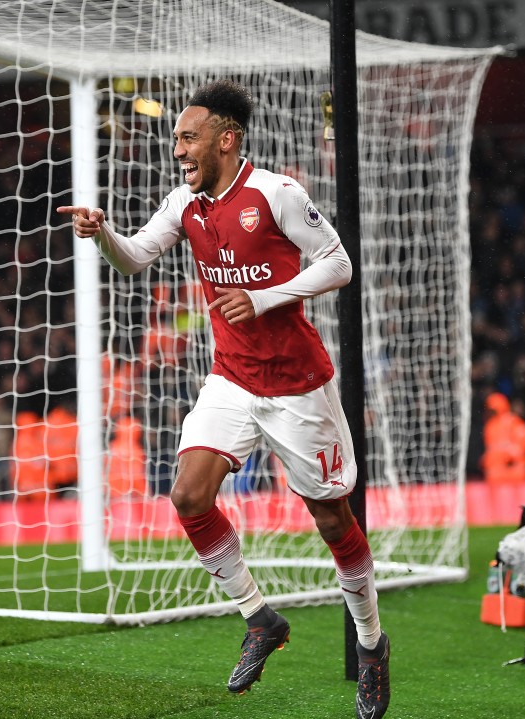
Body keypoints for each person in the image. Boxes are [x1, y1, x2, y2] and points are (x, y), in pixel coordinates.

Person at [58, 79, 389, 718]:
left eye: (188, 136)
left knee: (331, 520)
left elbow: (339, 262)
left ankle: (372, 646)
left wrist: (266, 296)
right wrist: (102, 233)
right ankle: (259, 617)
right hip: (232, 377)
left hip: (298, 386)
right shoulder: (185, 203)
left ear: (226, 139)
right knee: (187, 495)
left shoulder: (276, 193)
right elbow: (132, 259)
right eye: (177, 137)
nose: (178, 148)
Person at [480, 392, 525, 484]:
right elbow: (490, 448)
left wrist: (511, 453)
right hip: (496, 473)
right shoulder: (490, 426)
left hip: (515, 470)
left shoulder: (513, 421)